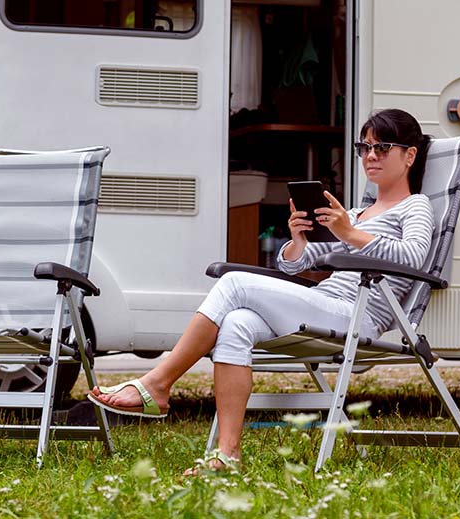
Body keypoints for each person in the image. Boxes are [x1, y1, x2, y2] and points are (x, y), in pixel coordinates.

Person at [88, 108, 435, 471]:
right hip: (328, 303)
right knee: (237, 322)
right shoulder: (355, 213)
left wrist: (348, 233)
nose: (370, 156)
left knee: (234, 283)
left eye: (383, 147)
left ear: (409, 155)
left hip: (358, 318)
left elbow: (413, 257)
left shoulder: (416, 206)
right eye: (364, 147)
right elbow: (295, 264)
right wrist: (298, 239)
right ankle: (227, 455)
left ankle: (158, 383)